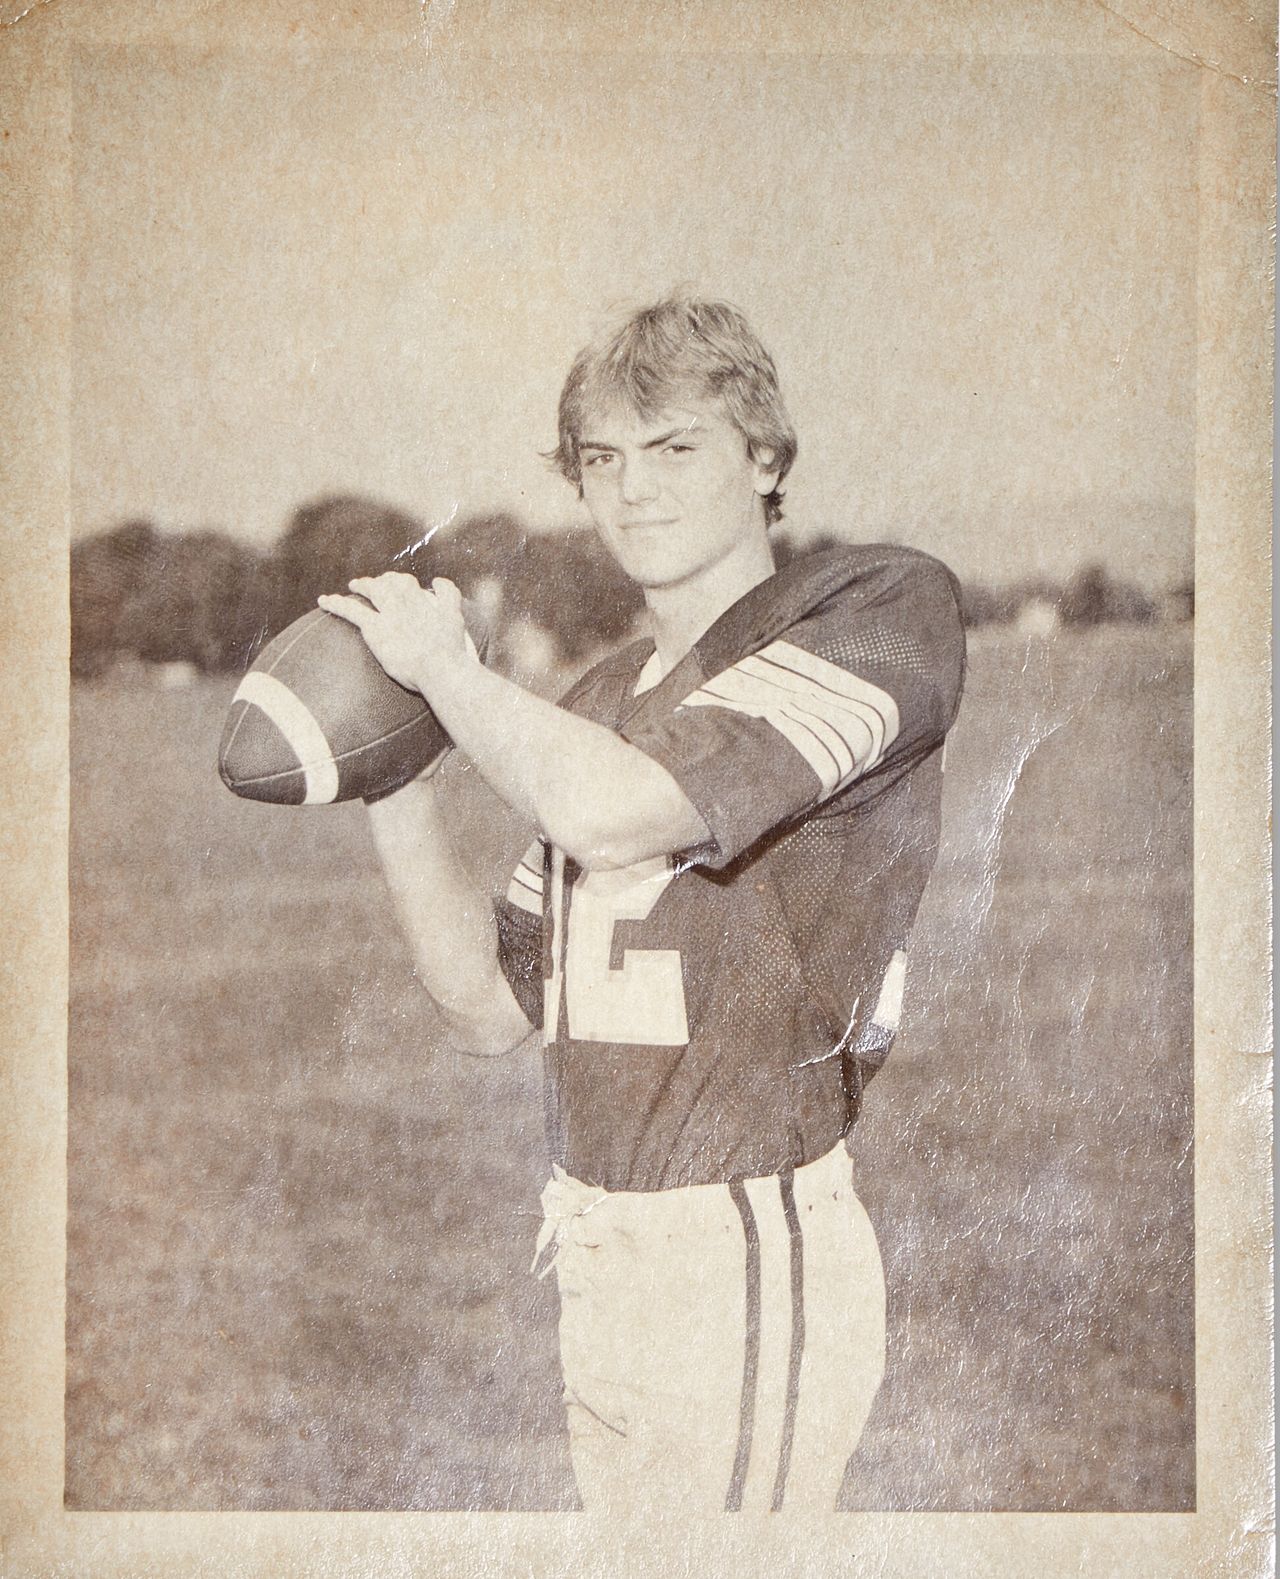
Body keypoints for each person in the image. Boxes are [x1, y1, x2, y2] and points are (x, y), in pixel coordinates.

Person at [318, 295, 966, 1514]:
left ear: (764, 457)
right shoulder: (604, 692)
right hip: (599, 1246)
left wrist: (450, 672)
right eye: (602, 458)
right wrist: (389, 771)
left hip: (742, 1239)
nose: (633, 488)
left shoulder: (876, 611)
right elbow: (487, 1010)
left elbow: (621, 811)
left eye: (675, 448)